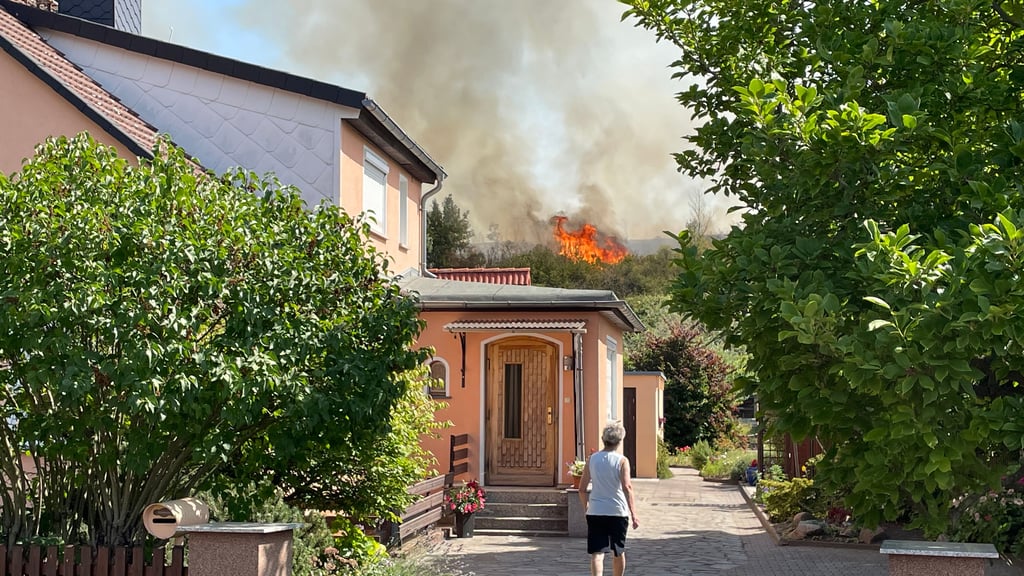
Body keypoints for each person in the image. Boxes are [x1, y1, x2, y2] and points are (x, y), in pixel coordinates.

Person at [578, 421, 640, 576]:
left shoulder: (592, 459)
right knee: (618, 551)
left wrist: (586, 507)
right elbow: (627, 487)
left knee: (597, 553)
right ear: (619, 441)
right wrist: (634, 514)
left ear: (602, 438)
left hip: (596, 511)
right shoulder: (622, 461)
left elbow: (581, 488)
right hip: (617, 511)